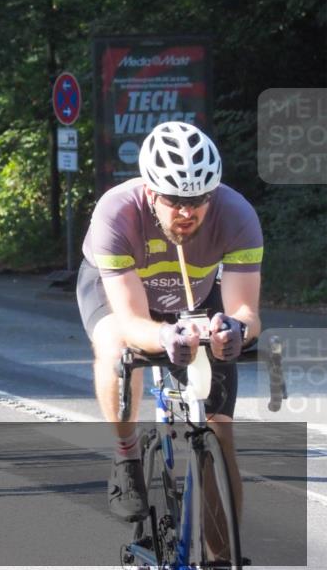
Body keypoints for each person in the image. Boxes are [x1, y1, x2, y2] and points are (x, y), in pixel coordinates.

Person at [77, 121, 262, 526]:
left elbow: (247, 311)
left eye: (199, 199)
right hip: (123, 295)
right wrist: (163, 336)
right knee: (113, 345)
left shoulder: (237, 215)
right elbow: (129, 319)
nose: (187, 211)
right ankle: (126, 452)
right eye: (175, 199)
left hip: (195, 293)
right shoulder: (116, 213)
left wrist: (237, 330)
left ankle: (219, 565)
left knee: (220, 435)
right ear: (150, 191)